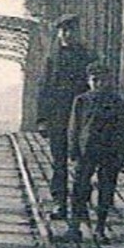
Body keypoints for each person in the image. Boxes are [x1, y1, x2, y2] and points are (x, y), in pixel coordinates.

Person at [37, 14, 96, 220]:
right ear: (59, 33)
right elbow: (43, 88)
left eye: (72, 31)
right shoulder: (52, 58)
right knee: (59, 162)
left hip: (82, 116)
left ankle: (80, 204)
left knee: (84, 162)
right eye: (64, 30)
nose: (68, 35)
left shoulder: (87, 57)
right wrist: (42, 119)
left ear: (78, 32)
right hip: (58, 116)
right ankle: (59, 203)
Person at [66, 62, 124, 244]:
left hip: (109, 150)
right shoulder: (81, 100)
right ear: (89, 81)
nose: (100, 84)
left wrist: (123, 151)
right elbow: (74, 127)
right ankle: (75, 227)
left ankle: (100, 228)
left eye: (103, 80)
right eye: (96, 80)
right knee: (79, 187)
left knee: (106, 189)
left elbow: (123, 127)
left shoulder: (115, 101)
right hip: (87, 150)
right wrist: (73, 151)